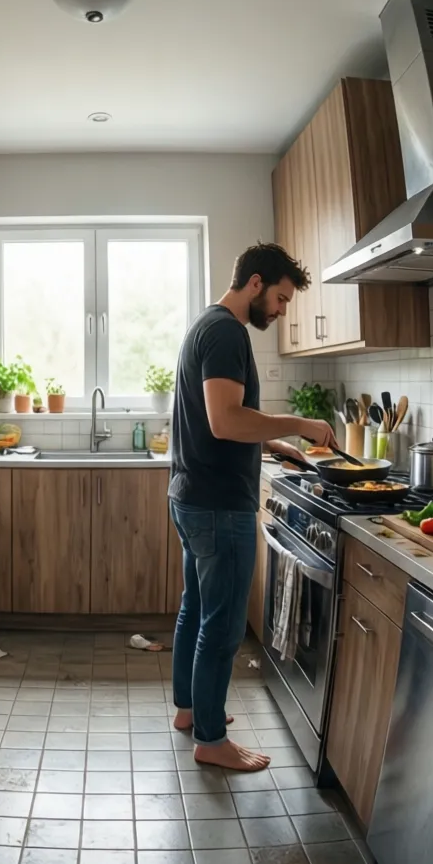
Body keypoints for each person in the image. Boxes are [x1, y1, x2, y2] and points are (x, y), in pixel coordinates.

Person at [168, 243, 336, 771]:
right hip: (219, 505)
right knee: (222, 625)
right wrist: (300, 425)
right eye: (282, 299)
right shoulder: (226, 332)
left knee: (196, 609)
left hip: (193, 497)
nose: (282, 311)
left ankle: (190, 711)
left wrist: (270, 444)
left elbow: (220, 419)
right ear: (257, 284)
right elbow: (225, 421)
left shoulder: (206, 324)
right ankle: (211, 741)